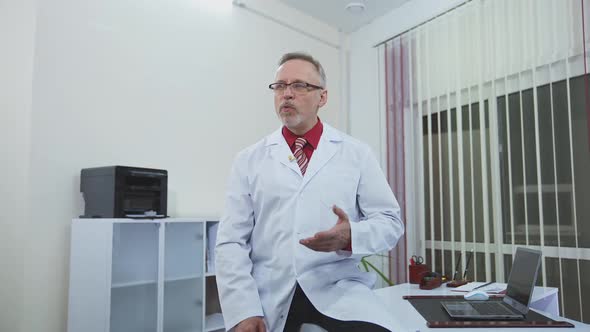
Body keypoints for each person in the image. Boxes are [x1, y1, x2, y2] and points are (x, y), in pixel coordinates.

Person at [215, 52, 404, 332]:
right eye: (280, 86)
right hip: (270, 293)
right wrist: (243, 310)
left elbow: (390, 222)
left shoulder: (356, 154)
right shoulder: (248, 160)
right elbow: (231, 242)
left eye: (300, 86)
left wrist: (351, 235)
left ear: (322, 97)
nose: (287, 94)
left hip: (338, 288)